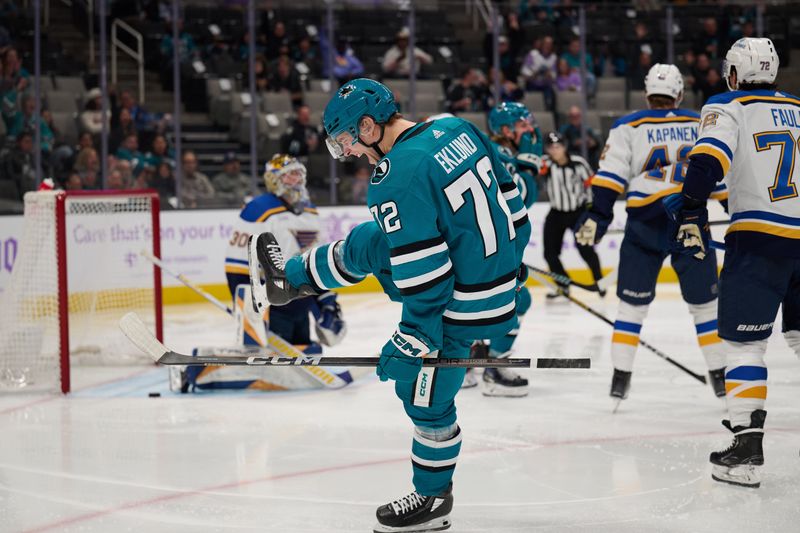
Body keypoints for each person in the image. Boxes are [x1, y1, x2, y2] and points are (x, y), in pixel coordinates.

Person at [249, 79, 530, 532]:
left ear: (367, 125)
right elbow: (514, 204)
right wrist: (508, 270)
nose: (352, 153)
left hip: (463, 302)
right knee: (372, 241)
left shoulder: (397, 174)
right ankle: (290, 282)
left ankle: (434, 499)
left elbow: (429, 277)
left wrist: (413, 338)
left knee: (424, 396)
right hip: (499, 284)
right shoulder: (456, 127)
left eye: (348, 142)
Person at [664, 38, 799, 489]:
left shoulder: (728, 104)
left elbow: (707, 162)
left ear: (735, 72)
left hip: (760, 239)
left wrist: (688, 211)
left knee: (745, 347)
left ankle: (744, 451)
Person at [574, 64, 729, 407]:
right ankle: (720, 377)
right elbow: (720, 178)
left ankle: (620, 378)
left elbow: (611, 174)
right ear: (679, 93)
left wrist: (598, 215)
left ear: (647, 93)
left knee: (631, 307)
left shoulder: (628, 124)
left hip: (645, 224)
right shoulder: (698, 121)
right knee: (705, 307)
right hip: (691, 221)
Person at [465, 102, 543, 396]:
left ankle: (468, 361)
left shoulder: (492, 151)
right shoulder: (501, 155)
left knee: (471, 305)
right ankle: (494, 368)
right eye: (523, 125)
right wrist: (528, 164)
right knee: (516, 302)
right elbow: (521, 198)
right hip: (480, 248)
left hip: (475, 246)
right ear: (506, 130)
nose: (530, 130)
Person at [540, 131, 601, 298]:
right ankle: (563, 284)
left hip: (578, 212)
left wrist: (591, 212)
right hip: (556, 213)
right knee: (550, 254)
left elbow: (592, 185)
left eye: (557, 146)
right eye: (551, 147)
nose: (554, 150)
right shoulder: (545, 164)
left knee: (586, 250)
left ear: (564, 146)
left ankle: (599, 281)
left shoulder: (579, 163)